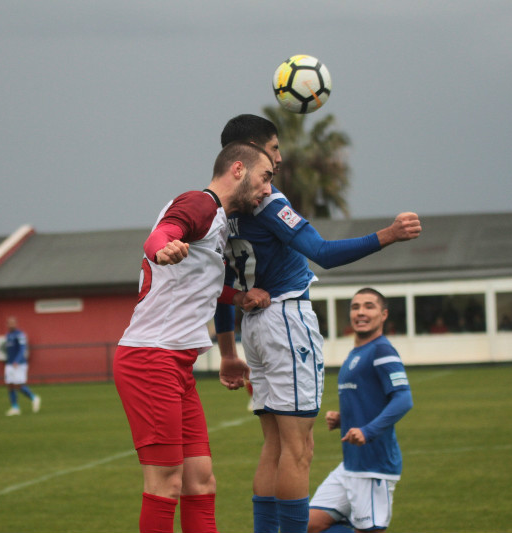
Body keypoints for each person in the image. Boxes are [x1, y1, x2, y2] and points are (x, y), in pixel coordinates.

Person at [214, 114, 422, 533]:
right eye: (273, 149)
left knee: (274, 447)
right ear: (250, 155)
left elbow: (217, 283)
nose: (279, 158)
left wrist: (227, 351)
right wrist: (389, 235)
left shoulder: (221, 211)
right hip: (285, 321)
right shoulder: (268, 202)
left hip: (253, 327)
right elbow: (322, 252)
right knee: (299, 449)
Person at [113, 141, 275, 533]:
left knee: (200, 480)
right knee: (165, 484)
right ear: (238, 169)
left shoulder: (216, 220)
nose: (268, 188)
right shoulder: (201, 204)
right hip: (151, 358)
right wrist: (161, 249)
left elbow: (197, 282)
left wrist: (237, 296)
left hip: (175, 363)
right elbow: (164, 233)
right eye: (265, 176)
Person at [308, 288, 413, 533]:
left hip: (374, 467)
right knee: (309, 524)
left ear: (383, 314)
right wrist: (345, 419)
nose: (361, 312)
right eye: (355, 307)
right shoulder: (356, 353)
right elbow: (371, 401)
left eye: (369, 306)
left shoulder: (382, 350)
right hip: (350, 465)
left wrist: (367, 430)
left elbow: (403, 398)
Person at [3, 316, 40, 416]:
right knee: (10, 385)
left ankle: (34, 398)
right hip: (9, 364)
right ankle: (15, 407)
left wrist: (17, 360)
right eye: (9, 323)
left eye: (13, 323)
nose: (11, 325)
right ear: (7, 324)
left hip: (19, 364)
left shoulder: (20, 335)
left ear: (16, 324)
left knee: (18, 385)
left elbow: (23, 348)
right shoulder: (7, 335)